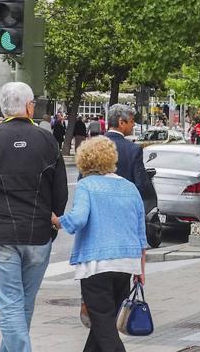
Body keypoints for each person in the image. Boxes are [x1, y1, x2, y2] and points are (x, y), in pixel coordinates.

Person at [0, 82, 68, 351]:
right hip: (37, 232)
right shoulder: (47, 140)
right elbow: (61, 194)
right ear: (29, 106)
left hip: (0, 233)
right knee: (22, 306)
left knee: (10, 306)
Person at [52, 136, 147, 352]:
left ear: (84, 160)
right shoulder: (130, 187)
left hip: (98, 264)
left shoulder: (86, 186)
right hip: (126, 263)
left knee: (104, 326)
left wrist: (58, 221)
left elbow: (78, 219)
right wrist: (140, 268)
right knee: (102, 324)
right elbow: (140, 230)